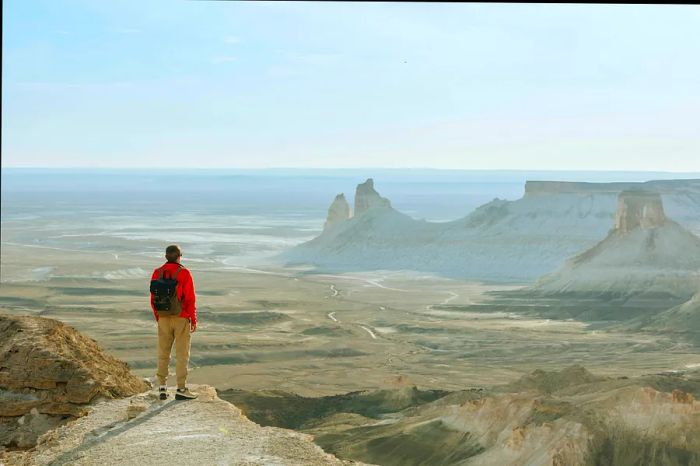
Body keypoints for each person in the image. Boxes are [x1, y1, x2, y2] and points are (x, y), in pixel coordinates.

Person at [150, 244, 198, 400]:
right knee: (182, 354)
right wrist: (193, 319)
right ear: (179, 256)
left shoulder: (157, 273)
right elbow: (190, 298)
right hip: (181, 318)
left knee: (163, 353)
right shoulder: (184, 273)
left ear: (165, 257)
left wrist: (159, 316)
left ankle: (162, 388)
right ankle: (181, 389)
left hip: (163, 318)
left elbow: (153, 298)